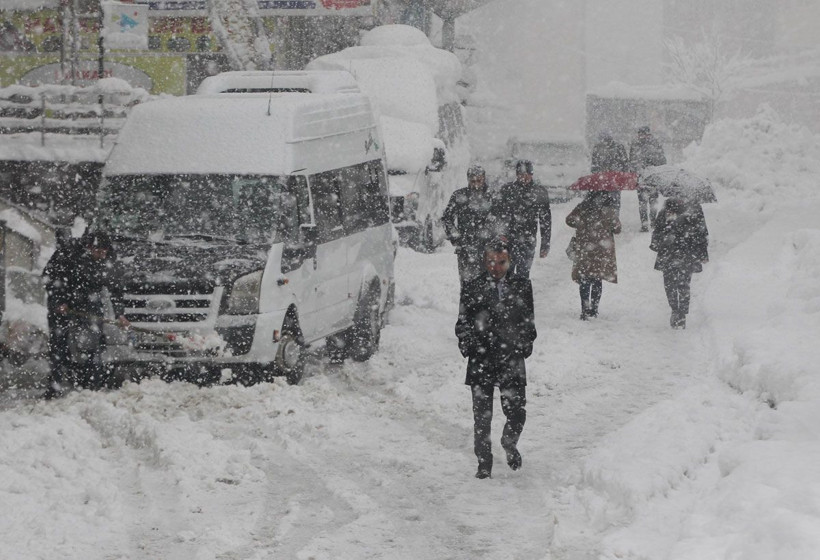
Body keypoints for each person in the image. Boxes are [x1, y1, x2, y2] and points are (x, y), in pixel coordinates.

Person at [455, 238, 537, 479]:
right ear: (484, 261)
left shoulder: (522, 286)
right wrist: (468, 345)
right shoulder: (472, 287)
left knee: (517, 412)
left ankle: (509, 442)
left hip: (511, 357)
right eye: (491, 261)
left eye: (501, 262)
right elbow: (462, 323)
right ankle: (484, 463)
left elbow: (528, 321)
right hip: (481, 358)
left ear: (509, 261)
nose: (496, 267)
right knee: (482, 417)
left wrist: (524, 343)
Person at [42, 230, 127, 398]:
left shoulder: (109, 258)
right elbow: (50, 278)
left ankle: (92, 385)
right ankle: (55, 386)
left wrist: (120, 314)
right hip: (63, 297)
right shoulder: (68, 253)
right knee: (59, 343)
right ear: (88, 248)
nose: (101, 255)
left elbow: (116, 288)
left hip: (89, 298)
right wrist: (59, 301)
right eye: (98, 251)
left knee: (93, 342)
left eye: (104, 252)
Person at [650, 196, 709, 329]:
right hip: (679, 251)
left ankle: (680, 312)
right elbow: (658, 230)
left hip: (681, 251)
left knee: (680, 283)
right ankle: (677, 310)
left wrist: (702, 251)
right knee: (673, 283)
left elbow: (701, 231)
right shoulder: (669, 208)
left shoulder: (692, 208)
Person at [488, 159, 551, 278]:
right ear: (517, 174)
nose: (524, 177)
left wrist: (545, 244)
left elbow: (545, 220)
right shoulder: (507, 190)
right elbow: (496, 214)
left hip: (528, 239)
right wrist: (499, 234)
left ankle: (520, 290)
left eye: (527, 174)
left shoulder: (539, 192)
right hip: (507, 239)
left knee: (523, 274)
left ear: (532, 174)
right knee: (506, 274)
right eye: (521, 174)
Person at [566, 191, 622, 319]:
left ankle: (585, 309)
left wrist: (580, 223)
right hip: (601, 250)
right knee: (597, 279)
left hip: (585, 249)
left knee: (585, 279)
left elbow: (569, 220)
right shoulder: (608, 210)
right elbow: (617, 229)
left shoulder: (582, 208)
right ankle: (594, 309)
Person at [442, 164, 494, 284]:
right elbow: (447, 218)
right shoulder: (459, 196)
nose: (476, 184)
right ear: (468, 180)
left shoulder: (492, 196)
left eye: (479, 180)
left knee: (488, 285)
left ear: (484, 179)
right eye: (472, 181)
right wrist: (455, 237)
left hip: (488, 248)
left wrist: (494, 238)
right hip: (465, 247)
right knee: (467, 285)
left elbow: (501, 219)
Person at [629, 125, 667, 231]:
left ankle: (648, 223)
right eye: (640, 134)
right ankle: (649, 223)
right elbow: (662, 160)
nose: (641, 136)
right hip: (648, 177)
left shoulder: (636, 145)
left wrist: (635, 172)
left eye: (642, 134)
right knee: (648, 201)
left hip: (646, 177)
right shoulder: (654, 144)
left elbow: (632, 162)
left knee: (647, 201)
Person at [590, 131, 629, 215]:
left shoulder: (618, 147)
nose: (604, 141)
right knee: (607, 201)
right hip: (604, 179)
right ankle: (608, 217)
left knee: (613, 200)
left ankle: (613, 217)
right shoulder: (598, 148)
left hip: (614, 179)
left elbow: (625, 163)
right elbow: (594, 165)